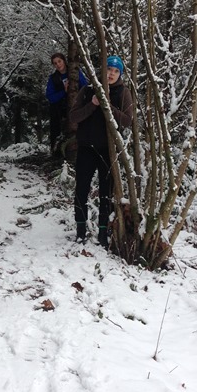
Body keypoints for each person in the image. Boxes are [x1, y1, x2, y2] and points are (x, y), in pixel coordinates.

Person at [69, 55, 133, 248]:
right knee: (81, 189)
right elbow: (74, 117)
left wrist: (107, 105)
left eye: (116, 71)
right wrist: (92, 104)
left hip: (108, 150)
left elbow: (127, 121)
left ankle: (103, 232)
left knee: (106, 192)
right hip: (86, 148)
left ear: (120, 74)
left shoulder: (123, 92)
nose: (111, 74)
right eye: (109, 70)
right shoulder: (88, 90)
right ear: (102, 71)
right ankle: (80, 231)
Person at [45, 52, 88, 157]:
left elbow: (85, 87)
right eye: (55, 63)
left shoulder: (75, 72)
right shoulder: (53, 78)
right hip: (59, 111)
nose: (58, 64)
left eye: (59, 61)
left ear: (64, 61)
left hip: (76, 107)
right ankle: (57, 155)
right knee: (58, 133)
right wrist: (63, 92)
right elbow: (50, 97)